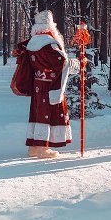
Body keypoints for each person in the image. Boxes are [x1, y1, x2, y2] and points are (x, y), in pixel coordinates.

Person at [19, 10, 79, 158]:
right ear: (51, 26)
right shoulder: (49, 44)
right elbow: (61, 63)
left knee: (37, 113)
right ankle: (42, 148)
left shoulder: (32, 43)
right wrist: (78, 63)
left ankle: (34, 146)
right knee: (46, 114)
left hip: (38, 84)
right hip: (50, 85)